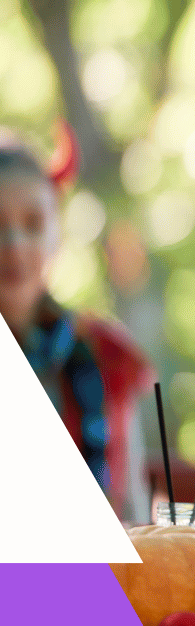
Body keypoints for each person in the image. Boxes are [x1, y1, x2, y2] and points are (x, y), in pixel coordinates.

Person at [1, 123, 154, 523]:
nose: (14, 245)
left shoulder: (106, 355)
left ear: (56, 236)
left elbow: (134, 505)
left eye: (33, 225)